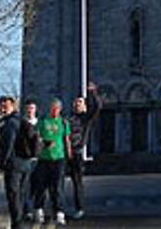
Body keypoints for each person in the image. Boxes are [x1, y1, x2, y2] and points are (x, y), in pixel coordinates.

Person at [0, 96, 35, 229]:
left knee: (14, 195)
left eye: (5, 106)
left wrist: (3, 162)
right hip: (25, 162)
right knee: (22, 193)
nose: (2, 109)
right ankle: (21, 220)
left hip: (14, 163)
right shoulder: (22, 120)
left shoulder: (10, 123)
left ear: (13, 106)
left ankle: (17, 223)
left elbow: (8, 144)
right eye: (1, 106)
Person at [66, 83, 101, 221]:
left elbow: (98, 107)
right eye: (76, 103)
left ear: (84, 106)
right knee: (55, 182)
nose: (77, 105)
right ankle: (57, 208)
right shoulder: (68, 118)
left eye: (80, 103)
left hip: (77, 152)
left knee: (77, 182)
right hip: (64, 152)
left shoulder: (86, 118)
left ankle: (79, 208)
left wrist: (93, 93)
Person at [33, 99, 69, 226]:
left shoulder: (63, 122)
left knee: (58, 186)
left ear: (60, 109)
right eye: (53, 109)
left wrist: (68, 154)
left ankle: (59, 212)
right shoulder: (43, 121)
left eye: (57, 109)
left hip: (58, 158)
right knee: (41, 186)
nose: (54, 111)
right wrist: (44, 143)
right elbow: (36, 137)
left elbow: (66, 138)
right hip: (44, 158)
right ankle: (39, 210)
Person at [21, 101, 38, 222]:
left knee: (37, 186)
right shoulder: (22, 123)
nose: (30, 110)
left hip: (38, 159)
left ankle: (37, 208)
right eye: (28, 108)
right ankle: (28, 210)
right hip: (26, 159)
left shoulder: (39, 123)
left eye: (32, 108)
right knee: (26, 186)